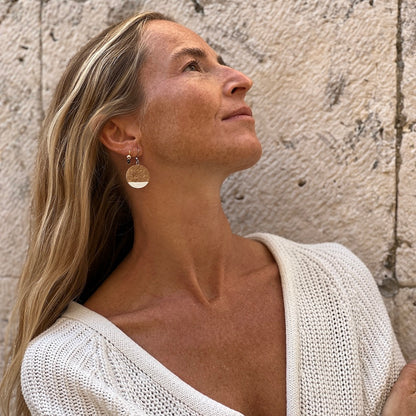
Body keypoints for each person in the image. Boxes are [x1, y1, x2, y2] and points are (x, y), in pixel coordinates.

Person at [0, 10, 410, 416]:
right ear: (122, 132)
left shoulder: (336, 280)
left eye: (222, 62)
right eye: (194, 66)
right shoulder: (71, 368)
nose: (241, 80)